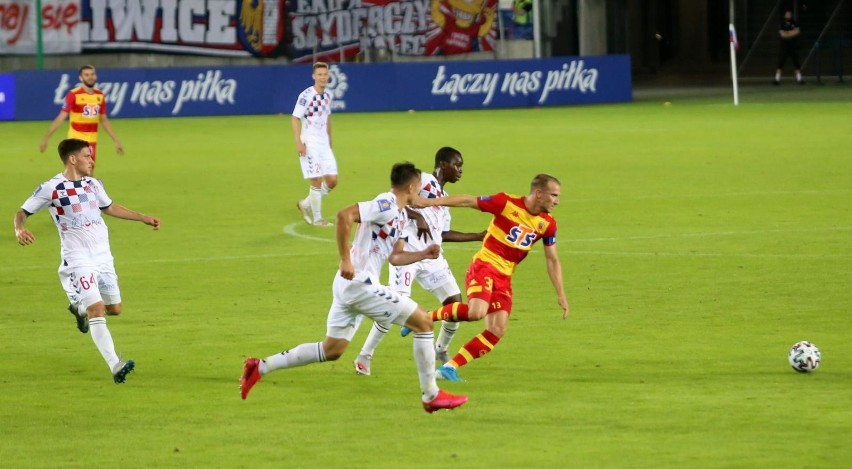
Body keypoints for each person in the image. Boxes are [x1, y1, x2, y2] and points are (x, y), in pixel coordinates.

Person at [240, 162, 468, 413]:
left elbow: (396, 258)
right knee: (424, 322)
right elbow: (344, 215)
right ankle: (431, 395)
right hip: (359, 284)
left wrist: (424, 253)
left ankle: (260, 366)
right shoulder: (387, 203)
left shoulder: (401, 215)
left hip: (349, 286)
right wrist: (346, 258)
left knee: (332, 349)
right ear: (412, 187)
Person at [14, 139, 160, 383]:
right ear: (72, 159)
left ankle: (79, 309)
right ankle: (115, 365)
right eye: (86, 156)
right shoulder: (52, 188)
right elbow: (22, 212)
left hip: (103, 257)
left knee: (114, 309)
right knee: (97, 309)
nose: (91, 160)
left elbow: (110, 207)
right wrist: (19, 228)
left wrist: (142, 218)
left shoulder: (93, 184)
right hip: (78, 258)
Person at [411, 173, 569, 382]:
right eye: (554, 195)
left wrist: (561, 294)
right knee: (477, 312)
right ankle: (423, 317)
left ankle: (449, 367)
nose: (557, 201)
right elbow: (468, 200)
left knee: (497, 329)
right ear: (539, 193)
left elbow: (552, 260)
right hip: (484, 265)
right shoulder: (506, 203)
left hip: (505, 276)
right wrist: (429, 202)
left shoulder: (547, 224)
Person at [353, 147, 485, 376]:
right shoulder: (423, 179)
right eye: (457, 165)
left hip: (432, 257)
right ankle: (365, 355)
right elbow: (397, 199)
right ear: (443, 164)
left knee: (454, 302)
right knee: (394, 305)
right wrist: (417, 215)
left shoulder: (444, 201)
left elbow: (443, 234)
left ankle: (441, 349)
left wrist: (477, 236)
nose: (460, 171)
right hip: (408, 255)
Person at [39, 65, 125, 162]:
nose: (90, 77)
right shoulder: (73, 95)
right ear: (81, 78)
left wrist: (116, 141)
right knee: (79, 173)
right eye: (86, 75)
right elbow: (61, 117)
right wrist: (46, 137)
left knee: (88, 174)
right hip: (76, 141)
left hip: (92, 142)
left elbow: (104, 120)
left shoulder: (99, 95)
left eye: (92, 74)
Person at [293, 62, 337, 227]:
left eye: (325, 74)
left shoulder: (327, 95)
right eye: (319, 74)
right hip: (310, 142)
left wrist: (329, 137)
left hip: (324, 143)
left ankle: (305, 204)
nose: (322, 77)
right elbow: (295, 118)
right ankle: (318, 218)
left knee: (332, 180)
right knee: (316, 179)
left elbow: (327, 117)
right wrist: (298, 142)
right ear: (314, 76)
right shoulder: (306, 96)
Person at [774, 10, 805, 85]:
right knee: (780, 63)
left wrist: (787, 33)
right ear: (784, 16)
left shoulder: (794, 23)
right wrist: (791, 33)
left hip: (793, 46)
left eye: (789, 14)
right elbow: (782, 35)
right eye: (787, 14)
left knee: (796, 63)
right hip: (784, 47)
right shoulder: (782, 23)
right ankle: (777, 79)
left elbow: (797, 31)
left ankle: (799, 79)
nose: (788, 16)